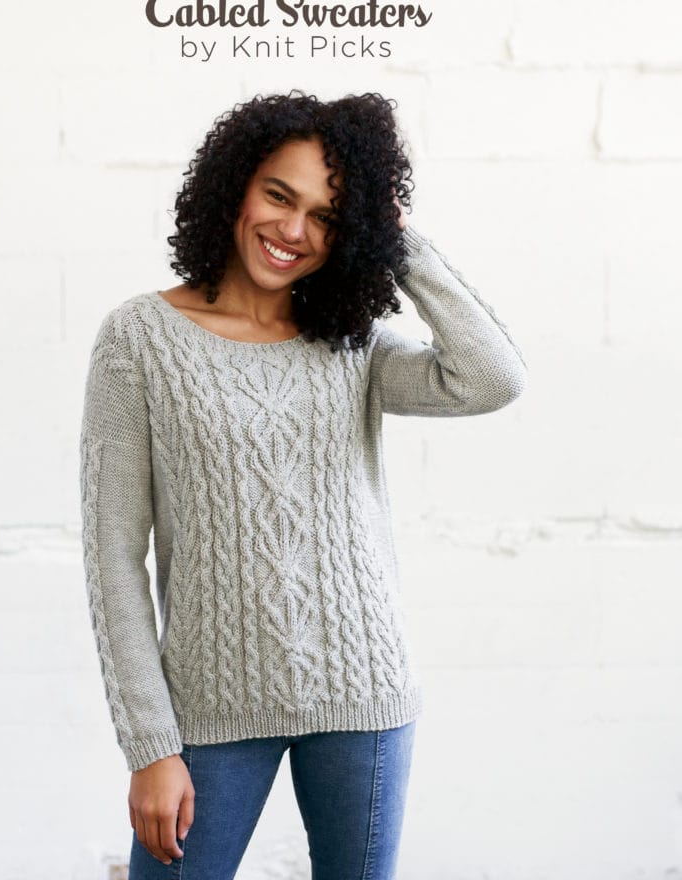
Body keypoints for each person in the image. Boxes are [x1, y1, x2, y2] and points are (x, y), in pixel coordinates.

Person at [78, 90, 528, 879]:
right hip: (206, 714)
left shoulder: (352, 345)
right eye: (278, 196)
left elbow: (489, 378)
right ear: (234, 187)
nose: (293, 231)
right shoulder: (137, 340)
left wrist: (400, 242)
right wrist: (149, 745)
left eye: (327, 215)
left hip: (364, 697)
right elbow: (114, 553)